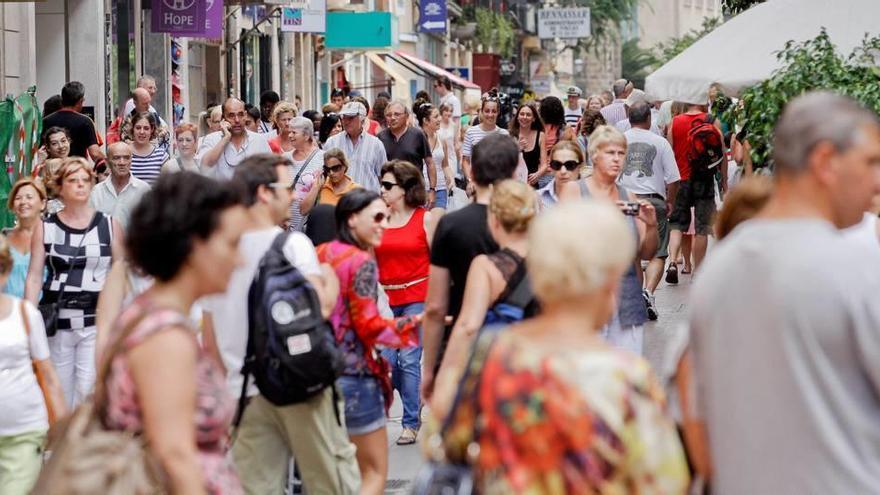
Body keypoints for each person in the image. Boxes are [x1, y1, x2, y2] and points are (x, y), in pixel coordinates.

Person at [686, 91, 880, 494]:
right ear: (825, 161)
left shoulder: (720, 267)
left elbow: (692, 408)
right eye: (870, 162)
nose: (877, 179)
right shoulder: (853, 267)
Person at [430, 200, 689, 493]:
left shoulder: (489, 353)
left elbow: (443, 437)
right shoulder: (626, 378)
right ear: (608, 282)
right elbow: (663, 481)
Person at [200, 154, 358, 495]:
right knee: (330, 480)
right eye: (287, 188)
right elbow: (322, 308)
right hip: (300, 385)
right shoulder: (292, 245)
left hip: (245, 392)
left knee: (256, 487)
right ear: (263, 193)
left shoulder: (216, 254)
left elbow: (209, 342)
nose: (294, 196)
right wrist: (329, 277)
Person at [103, 171, 247, 494]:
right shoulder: (165, 336)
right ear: (194, 245)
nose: (240, 259)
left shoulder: (154, 316)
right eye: (232, 244)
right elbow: (175, 455)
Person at [317, 189, 421, 495]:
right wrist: (415, 325)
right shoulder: (360, 261)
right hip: (355, 376)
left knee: (338, 472)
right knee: (373, 472)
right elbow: (369, 327)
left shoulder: (321, 253)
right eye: (377, 217)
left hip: (320, 375)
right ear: (352, 219)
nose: (384, 225)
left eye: (386, 217)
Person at [421, 134, 518, 402]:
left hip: (461, 343)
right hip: (516, 350)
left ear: (472, 172)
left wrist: (429, 368)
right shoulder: (526, 224)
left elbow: (435, 306)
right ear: (513, 171)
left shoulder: (451, 225)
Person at [25, 158, 124, 407]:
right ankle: (61, 443)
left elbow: (120, 274)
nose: (80, 185)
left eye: (85, 180)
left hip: (96, 318)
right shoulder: (45, 227)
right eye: (72, 180)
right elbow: (35, 274)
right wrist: (27, 317)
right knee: (58, 390)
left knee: (88, 389)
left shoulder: (110, 226)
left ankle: (82, 444)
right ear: (59, 186)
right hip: (58, 319)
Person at [432, 180, 538, 405]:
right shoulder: (553, 261)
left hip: (502, 370)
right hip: (543, 368)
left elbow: (468, 326)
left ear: (495, 220)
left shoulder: (486, 266)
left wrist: (442, 378)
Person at [561, 126, 657, 355]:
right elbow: (564, 245)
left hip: (627, 300)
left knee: (625, 377)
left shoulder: (629, 197)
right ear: (594, 154)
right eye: (610, 152)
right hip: (587, 299)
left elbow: (645, 254)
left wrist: (651, 225)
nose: (617, 159)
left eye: (621, 153)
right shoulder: (575, 192)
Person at [373, 161, 436, 445]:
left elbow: (438, 262)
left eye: (388, 186)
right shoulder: (378, 218)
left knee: (409, 359)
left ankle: (410, 422)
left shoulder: (425, 218)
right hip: (386, 299)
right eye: (381, 184)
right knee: (388, 361)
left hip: (417, 296)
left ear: (405, 188)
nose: (382, 190)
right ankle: (416, 399)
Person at [0, 235, 67, 495]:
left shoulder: (26, 315)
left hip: (25, 431)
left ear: (5, 272)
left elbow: (48, 376)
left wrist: (63, 433)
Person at [618, 101, 680, 321]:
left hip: (625, 201)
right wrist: (670, 201)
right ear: (649, 119)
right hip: (654, 202)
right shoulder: (660, 142)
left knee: (632, 252)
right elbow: (673, 179)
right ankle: (649, 292)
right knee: (659, 252)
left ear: (629, 118)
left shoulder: (620, 141)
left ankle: (637, 296)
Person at [665, 101, 718, 283]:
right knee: (702, 227)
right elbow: (719, 154)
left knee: (677, 224)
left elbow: (669, 152)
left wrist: (668, 182)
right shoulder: (711, 121)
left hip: (681, 178)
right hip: (704, 180)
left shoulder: (675, 122)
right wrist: (724, 180)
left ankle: (672, 262)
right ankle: (698, 270)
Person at [378, 100, 438, 207]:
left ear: (406, 116)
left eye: (397, 114)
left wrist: (432, 190)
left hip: (414, 191)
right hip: (390, 192)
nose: (392, 118)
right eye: (388, 115)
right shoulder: (380, 138)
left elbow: (430, 163)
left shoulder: (417, 135)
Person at [197, 98, 273, 180]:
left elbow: (271, 171)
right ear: (223, 118)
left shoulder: (259, 140)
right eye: (231, 115)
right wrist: (225, 138)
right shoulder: (212, 139)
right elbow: (204, 165)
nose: (237, 120)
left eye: (240, 115)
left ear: (245, 115)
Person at [325, 101, 388, 192]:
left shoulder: (376, 145)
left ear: (362, 119)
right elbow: (325, 172)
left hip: (367, 201)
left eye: (351, 118)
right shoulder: (332, 142)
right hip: (339, 200)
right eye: (344, 117)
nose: (346, 121)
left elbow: (382, 176)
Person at [89, 142, 151, 230]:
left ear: (131, 160)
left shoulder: (144, 190)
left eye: (126, 158)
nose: (122, 162)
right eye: (116, 158)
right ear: (107, 162)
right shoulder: (96, 192)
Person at [42, 81, 106, 166]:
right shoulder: (85, 121)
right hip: (76, 171)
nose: (62, 146)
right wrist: (108, 167)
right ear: (80, 101)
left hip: (53, 171)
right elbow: (95, 154)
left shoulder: (45, 121)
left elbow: (40, 150)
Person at [3, 179, 47, 298]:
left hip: (42, 312)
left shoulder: (53, 237)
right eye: (18, 198)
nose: (23, 202)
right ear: (12, 205)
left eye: (29, 197)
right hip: (8, 312)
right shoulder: (4, 239)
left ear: (43, 203)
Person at [286, 116, 324, 232]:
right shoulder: (285, 158)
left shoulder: (322, 158)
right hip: (287, 224)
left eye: (294, 132)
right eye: (289, 132)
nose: (290, 135)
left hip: (310, 225)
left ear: (307, 136)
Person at [460, 94, 510, 182]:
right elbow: (465, 161)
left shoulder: (504, 134)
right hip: (477, 184)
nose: (490, 114)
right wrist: (470, 180)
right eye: (487, 111)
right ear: (482, 111)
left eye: (493, 111)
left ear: (498, 112)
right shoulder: (471, 132)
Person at [301, 148, 361, 214]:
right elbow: (303, 211)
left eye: (335, 168)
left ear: (344, 166)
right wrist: (316, 187)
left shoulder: (356, 189)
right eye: (327, 169)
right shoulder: (321, 185)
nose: (331, 173)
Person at [417, 103, 453, 208]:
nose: (440, 119)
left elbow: (445, 165)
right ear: (425, 121)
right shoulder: (416, 140)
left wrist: (451, 178)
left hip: (441, 188)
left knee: (438, 220)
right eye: (436, 116)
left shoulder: (442, 139)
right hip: (422, 190)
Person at [508, 101, 545, 187]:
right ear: (517, 117)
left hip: (532, 185)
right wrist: (517, 149)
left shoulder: (540, 135)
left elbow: (544, 165)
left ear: (534, 118)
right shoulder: (510, 135)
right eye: (522, 114)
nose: (524, 117)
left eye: (528, 115)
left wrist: (538, 174)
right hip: (513, 184)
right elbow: (505, 162)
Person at [537, 140, 583, 209]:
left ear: (579, 167)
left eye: (570, 165)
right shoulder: (536, 198)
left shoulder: (593, 199)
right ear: (551, 167)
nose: (563, 171)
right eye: (557, 165)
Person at [127, 112, 169, 185]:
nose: (142, 132)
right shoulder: (124, 152)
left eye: (146, 128)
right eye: (138, 128)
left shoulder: (161, 156)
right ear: (133, 128)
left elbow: (167, 186)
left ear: (152, 129)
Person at [438, 102, 461, 180]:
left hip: (451, 158)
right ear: (441, 111)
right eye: (446, 111)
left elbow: (456, 144)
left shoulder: (454, 125)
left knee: (450, 181)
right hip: (439, 157)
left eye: (451, 111)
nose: (449, 113)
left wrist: (460, 159)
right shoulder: (437, 124)